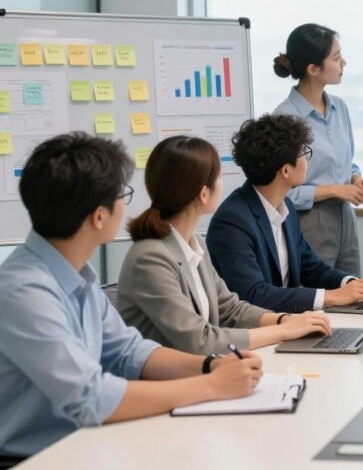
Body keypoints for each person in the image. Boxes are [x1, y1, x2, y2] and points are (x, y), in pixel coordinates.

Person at [0, 133, 262, 461]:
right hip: (37, 459)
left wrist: (211, 365)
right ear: (99, 216)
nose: (126, 205)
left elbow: (128, 352)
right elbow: (91, 396)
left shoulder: (74, 275)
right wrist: (212, 386)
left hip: (85, 444)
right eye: (122, 194)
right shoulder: (23, 292)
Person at [117, 135, 333, 354]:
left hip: (201, 372)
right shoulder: (150, 258)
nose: (223, 185)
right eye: (219, 177)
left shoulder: (192, 242)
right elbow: (200, 340)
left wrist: (284, 320)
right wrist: (284, 331)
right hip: (167, 384)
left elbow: (231, 309)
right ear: (203, 194)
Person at [207, 114, 363, 313]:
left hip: (287, 323)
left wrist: (352, 283)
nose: (307, 160)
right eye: (303, 153)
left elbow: (310, 267)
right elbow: (253, 294)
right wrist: (331, 297)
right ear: (286, 170)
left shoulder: (286, 208)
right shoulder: (232, 222)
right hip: (254, 333)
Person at [272, 23, 363, 275]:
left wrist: (357, 179)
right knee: (316, 299)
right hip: (310, 220)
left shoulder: (340, 107)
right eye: (337, 58)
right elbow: (281, 192)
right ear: (313, 69)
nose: (344, 63)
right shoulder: (285, 118)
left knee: (354, 294)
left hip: (345, 216)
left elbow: (347, 161)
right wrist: (334, 190)